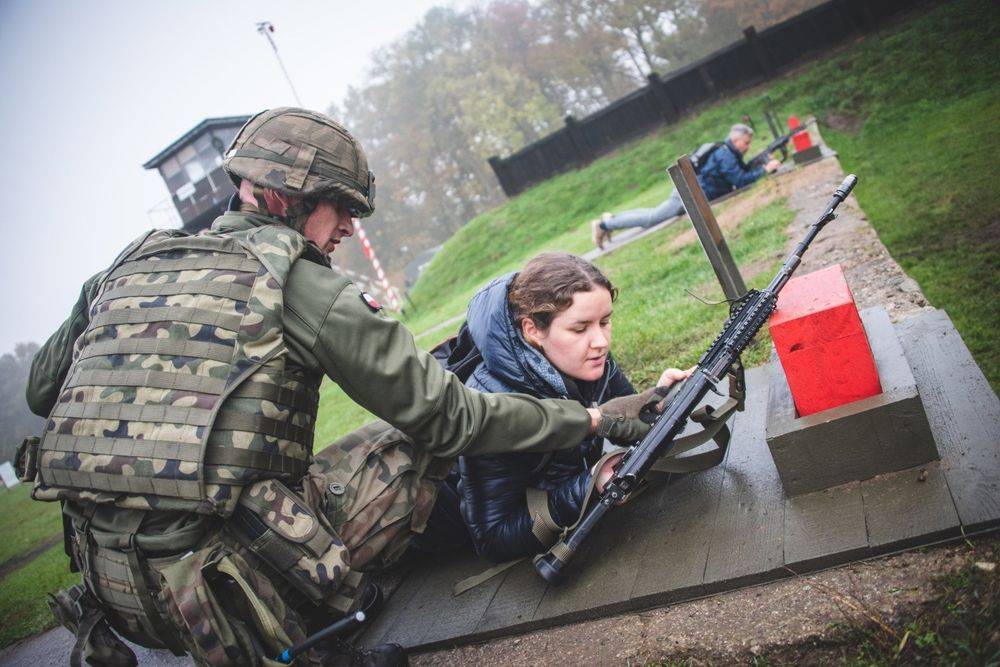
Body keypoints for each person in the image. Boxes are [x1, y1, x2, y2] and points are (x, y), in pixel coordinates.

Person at [19, 108, 659, 667]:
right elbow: (453, 422)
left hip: (122, 597)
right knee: (409, 453)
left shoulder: (128, 265)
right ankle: (323, 617)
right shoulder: (303, 286)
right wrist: (595, 421)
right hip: (230, 600)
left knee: (354, 448)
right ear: (284, 197)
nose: (350, 227)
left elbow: (42, 393)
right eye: (342, 205)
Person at [456, 253, 692, 564]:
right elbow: (492, 539)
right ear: (533, 330)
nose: (601, 341)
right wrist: (590, 485)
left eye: (605, 322)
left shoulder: (588, 359)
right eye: (580, 329)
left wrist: (657, 401)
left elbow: (629, 433)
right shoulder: (491, 402)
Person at [590, 123, 782, 249]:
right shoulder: (726, 154)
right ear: (735, 140)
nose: (747, 146)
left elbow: (739, 174)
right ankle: (604, 225)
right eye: (746, 143)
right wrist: (764, 170)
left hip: (694, 192)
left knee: (653, 213)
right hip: (688, 194)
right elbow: (740, 180)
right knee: (652, 218)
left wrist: (761, 164)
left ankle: (612, 219)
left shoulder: (727, 152)